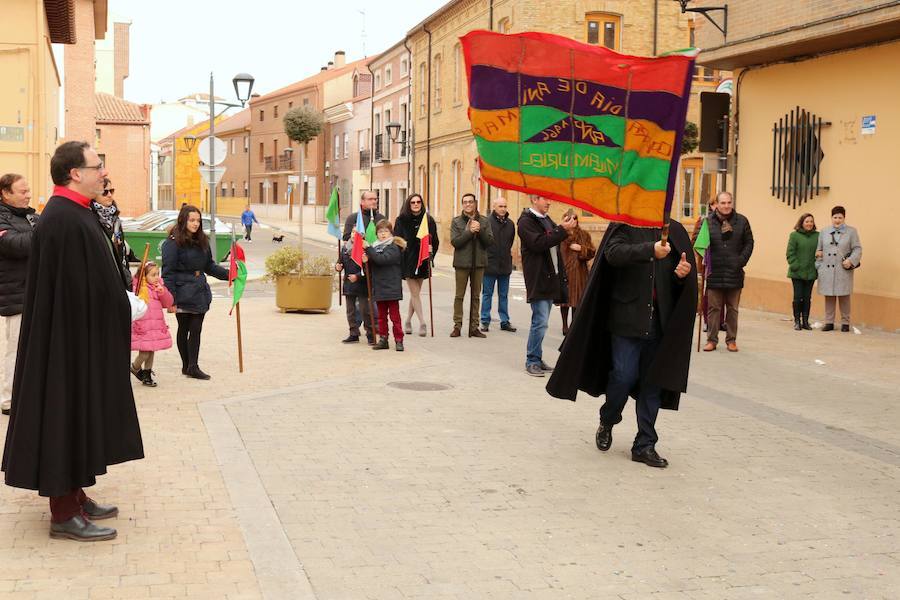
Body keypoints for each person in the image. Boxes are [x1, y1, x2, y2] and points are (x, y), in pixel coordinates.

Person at [2, 141, 143, 541]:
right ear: (75, 173)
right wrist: (120, 306)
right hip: (66, 344)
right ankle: (63, 513)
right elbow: (73, 290)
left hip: (76, 338)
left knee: (78, 415)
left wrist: (119, 300)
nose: (104, 173)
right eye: (97, 166)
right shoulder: (64, 218)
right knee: (64, 415)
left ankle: (75, 494)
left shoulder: (73, 212)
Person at [547, 221, 697, 469]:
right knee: (623, 376)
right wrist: (650, 249)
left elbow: (679, 277)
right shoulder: (625, 224)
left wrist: (682, 275)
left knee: (652, 385)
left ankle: (644, 444)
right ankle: (608, 418)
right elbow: (613, 254)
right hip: (626, 319)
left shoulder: (675, 230)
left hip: (659, 322)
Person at [161, 204, 229, 380]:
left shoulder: (202, 240)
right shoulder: (173, 242)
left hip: (199, 290)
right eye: (192, 220)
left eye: (198, 220)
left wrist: (230, 275)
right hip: (182, 290)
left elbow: (209, 266)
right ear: (184, 220)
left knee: (196, 328)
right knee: (184, 328)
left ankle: (193, 366)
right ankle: (187, 366)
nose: (196, 223)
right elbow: (168, 273)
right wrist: (171, 299)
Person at [517, 195, 576, 377]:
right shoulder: (526, 221)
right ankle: (532, 360)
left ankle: (537, 357)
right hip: (538, 278)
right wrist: (561, 229)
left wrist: (561, 228)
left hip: (551, 278)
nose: (549, 202)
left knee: (543, 322)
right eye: (545, 199)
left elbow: (553, 240)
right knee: (540, 322)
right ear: (534, 199)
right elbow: (538, 243)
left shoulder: (546, 219)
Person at [0, 174, 38, 416]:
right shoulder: (2, 219)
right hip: (16, 294)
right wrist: (48, 232)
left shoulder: (32, 217)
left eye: (28, 190)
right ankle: (8, 399)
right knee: (15, 348)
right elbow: (16, 245)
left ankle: (29, 395)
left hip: (37, 291)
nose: (28, 195)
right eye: (22, 191)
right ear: (5, 193)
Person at [703, 192, 754, 353]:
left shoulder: (742, 221)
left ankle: (731, 340)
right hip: (715, 272)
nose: (726, 206)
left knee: (733, 309)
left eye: (729, 202)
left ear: (732, 203)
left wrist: (740, 261)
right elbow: (700, 244)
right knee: (714, 309)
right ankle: (711, 340)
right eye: (723, 203)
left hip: (734, 271)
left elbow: (749, 243)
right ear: (716, 204)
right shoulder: (707, 222)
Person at [394, 193, 438, 337]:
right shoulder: (401, 220)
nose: (416, 204)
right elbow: (396, 239)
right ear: (408, 204)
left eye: (418, 202)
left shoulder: (428, 220)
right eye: (413, 202)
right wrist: (403, 249)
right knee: (415, 293)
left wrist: (432, 250)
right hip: (407, 262)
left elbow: (434, 240)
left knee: (415, 294)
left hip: (423, 260)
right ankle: (422, 323)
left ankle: (407, 320)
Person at [450, 193, 494, 338]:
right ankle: (457, 325)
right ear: (462, 204)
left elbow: (489, 242)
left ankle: (474, 327)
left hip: (479, 262)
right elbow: (456, 242)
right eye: (465, 202)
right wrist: (469, 232)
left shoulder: (484, 221)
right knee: (459, 295)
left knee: (476, 296)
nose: (468, 204)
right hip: (462, 263)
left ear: (475, 203)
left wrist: (479, 230)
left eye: (470, 202)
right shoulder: (456, 222)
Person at [816, 206, 862, 332]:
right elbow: (819, 249)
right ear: (831, 218)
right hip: (827, 269)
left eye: (840, 217)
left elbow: (857, 248)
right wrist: (818, 265)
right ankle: (829, 322)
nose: (837, 220)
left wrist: (851, 260)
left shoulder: (851, 232)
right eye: (835, 217)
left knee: (844, 296)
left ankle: (845, 323)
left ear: (844, 218)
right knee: (829, 296)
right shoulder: (824, 231)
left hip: (843, 269)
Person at [130, 262, 174, 386]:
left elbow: (168, 302)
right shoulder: (137, 288)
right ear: (144, 276)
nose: (156, 277)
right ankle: (134, 367)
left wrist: (162, 292)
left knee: (151, 350)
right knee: (144, 352)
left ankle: (147, 374)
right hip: (142, 326)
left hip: (155, 325)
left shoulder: (158, 287)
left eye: (158, 274)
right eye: (153, 275)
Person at [366, 220, 407, 351]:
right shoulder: (375, 247)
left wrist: (368, 249)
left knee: (395, 317)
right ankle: (383, 339)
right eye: (380, 232)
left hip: (392, 288)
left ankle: (399, 340)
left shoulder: (394, 247)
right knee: (381, 317)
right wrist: (365, 260)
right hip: (379, 287)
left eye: (386, 231)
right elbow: (372, 264)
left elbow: (381, 260)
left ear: (391, 233)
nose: (383, 234)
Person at [480, 196, 517, 333]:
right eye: (500, 206)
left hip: (505, 264)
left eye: (505, 206)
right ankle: (484, 321)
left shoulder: (511, 224)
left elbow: (510, 242)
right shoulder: (486, 222)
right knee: (487, 294)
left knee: (503, 295)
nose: (503, 209)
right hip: (490, 264)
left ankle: (504, 321)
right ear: (494, 207)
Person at [92, 178, 135, 290]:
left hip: (120, 274)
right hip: (101, 278)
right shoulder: (90, 217)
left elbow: (122, 250)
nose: (110, 195)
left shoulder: (115, 218)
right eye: (105, 192)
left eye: (112, 191)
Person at [558, 209, 596, 335]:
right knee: (565, 301)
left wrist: (581, 249)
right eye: (569, 218)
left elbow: (592, 251)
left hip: (580, 273)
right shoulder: (560, 235)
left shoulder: (584, 235)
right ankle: (564, 325)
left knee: (577, 301)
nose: (573, 221)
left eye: (575, 218)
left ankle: (574, 325)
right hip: (565, 271)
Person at [691, 196, 725, 333]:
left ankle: (720, 322)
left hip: (723, 263)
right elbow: (696, 240)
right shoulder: (703, 221)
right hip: (708, 262)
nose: (717, 206)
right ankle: (707, 321)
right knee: (708, 293)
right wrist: (705, 254)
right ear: (711, 206)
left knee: (722, 292)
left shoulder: (728, 221)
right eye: (715, 204)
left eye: (720, 203)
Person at [335, 239, 375, 344]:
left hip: (362, 284)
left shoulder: (365, 249)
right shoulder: (345, 248)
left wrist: (357, 277)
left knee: (364, 310)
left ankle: (370, 333)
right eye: (352, 232)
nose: (354, 235)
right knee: (350, 311)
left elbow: (368, 269)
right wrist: (338, 267)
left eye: (357, 232)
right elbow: (340, 262)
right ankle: (353, 333)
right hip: (349, 283)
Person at [786, 213, 818, 331]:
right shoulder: (794, 236)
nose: (809, 224)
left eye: (811, 221)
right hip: (797, 273)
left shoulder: (817, 236)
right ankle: (797, 321)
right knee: (798, 297)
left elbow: (820, 251)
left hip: (811, 272)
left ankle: (805, 321)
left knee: (807, 297)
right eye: (807, 221)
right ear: (802, 223)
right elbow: (790, 253)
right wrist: (796, 266)